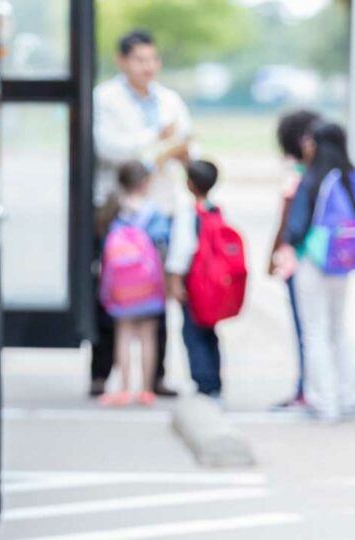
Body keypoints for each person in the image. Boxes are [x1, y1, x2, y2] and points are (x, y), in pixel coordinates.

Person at [91, 29, 194, 398]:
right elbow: (109, 149)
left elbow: (186, 145)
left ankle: (155, 378)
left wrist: (173, 149)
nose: (147, 67)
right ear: (122, 61)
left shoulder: (169, 100)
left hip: (158, 210)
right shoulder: (105, 98)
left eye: (152, 59)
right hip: (118, 209)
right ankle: (103, 373)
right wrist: (158, 142)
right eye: (139, 59)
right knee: (112, 289)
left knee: (156, 291)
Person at [273, 122, 355, 422]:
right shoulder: (351, 177)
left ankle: (323, 401)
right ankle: (350, 395)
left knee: (314, 332)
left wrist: (286, 247)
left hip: (313, 262)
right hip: (342, 263)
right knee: (337, 329)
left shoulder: (313, 178)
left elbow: (297, 226)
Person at [99, 162, 170, 407]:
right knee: (148, 336)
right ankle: (146, 389)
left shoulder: (115, 210)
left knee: (124, 335)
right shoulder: (153, 213)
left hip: (121, 287)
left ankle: (125, 388)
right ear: (146, 183)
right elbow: (162, 244)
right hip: (148, 285)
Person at [268, 110, 319, 412]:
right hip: (320, 261)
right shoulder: (322, 173)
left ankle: (305, 388)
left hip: (295, 261)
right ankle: (310, 387)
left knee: (304, 329)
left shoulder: (295, 175)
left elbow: (284, 221)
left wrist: (271, 256)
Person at [166, 160, 224, 398]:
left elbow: (182, 250)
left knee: (193, 333)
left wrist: (175, 281)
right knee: (209, 332)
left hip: (195, 282)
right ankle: (214, 382)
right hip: (214, 283)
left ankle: (203, 382)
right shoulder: (216, 211)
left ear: (189, 184)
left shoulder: (189, 214)